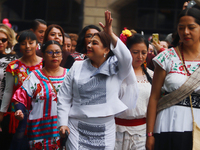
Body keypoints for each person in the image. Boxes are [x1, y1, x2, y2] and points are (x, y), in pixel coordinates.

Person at [57, 10, 137, 149]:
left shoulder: (116, 67)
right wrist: (63, 123)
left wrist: (110, 34)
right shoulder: (77, 65)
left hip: (105, 129)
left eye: (94, 43)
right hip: (76, 128)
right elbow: (64, 97)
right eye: (89, 42)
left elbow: (127, 58)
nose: (88, 45)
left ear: (106, 49)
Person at [146, 7, 200, 150]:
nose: (186, 32)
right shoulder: (167, 57)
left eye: (191, 27)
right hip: (168, 124)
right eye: (181, 28)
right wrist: (149, 134)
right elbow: (154, 98)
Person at [13, 40, 69, 149]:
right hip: (38, 132)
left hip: (63, 131)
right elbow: (21, 96)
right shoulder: (34, 76)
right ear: (43, 55)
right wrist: (19, 109)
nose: (54, 55)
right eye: (50, 52)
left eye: (58, 52)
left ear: (62, 55)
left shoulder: (70, 75)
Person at [0, 30, 43, 150]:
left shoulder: (44, 64)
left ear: (36, 44)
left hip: (41, 113)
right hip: (18, 113)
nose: (28, 46)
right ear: (19, 45)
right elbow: (8, 91)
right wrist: (2, 113)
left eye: (31, 42)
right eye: (24, 43)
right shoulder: (13, 66)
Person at [115, 31, 153, 150]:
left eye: (144, 53)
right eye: (135, 52)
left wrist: (150, 135)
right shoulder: (116, 74)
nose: (140, 57)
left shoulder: (152, 76)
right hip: (116, 131)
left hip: (141, 133)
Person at [0, 23, 18, 150]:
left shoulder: (14, 60)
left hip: (4, 105)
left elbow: (10, 88)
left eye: (3, 40)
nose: (0, 42)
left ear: (9, 41)